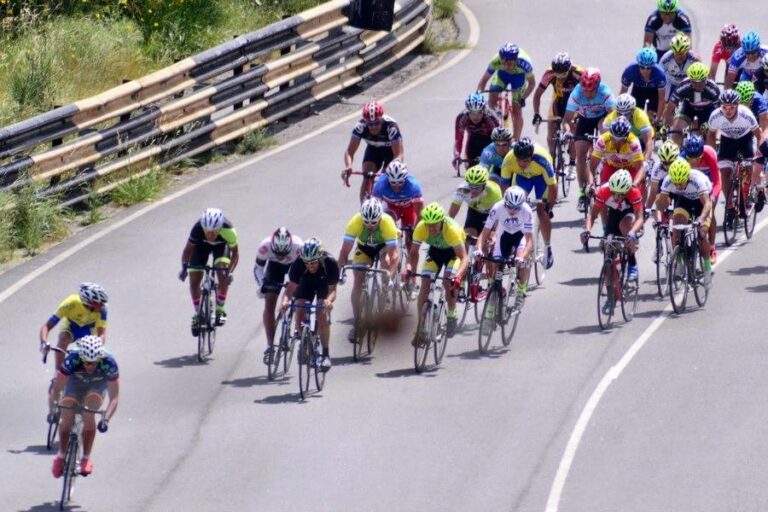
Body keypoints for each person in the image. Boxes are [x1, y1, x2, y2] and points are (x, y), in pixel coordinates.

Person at [50, 336, 119, 479]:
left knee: (89, 410)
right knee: (67, 411)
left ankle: (86, 458)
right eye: (87, 362)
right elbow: (57, 389)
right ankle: (61, 456)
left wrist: (105, 419)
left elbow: (114, 397)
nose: (90, 366)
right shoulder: (72, 360)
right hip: (75, 382)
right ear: (81, 357)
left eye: (94, 363)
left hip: (97, 385)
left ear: (100, 358)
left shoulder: (109, 363)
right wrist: (54, 410)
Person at [39, 282, 109, 417]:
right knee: (63, 340)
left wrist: (97, 345)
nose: (100, 307)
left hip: (89, 332)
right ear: (86, 301)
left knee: (88, 360)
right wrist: (44, 343)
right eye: (97, 304)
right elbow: (46, 326)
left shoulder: (102, 310)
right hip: (71, 328)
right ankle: (58, 373)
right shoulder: (70, 302)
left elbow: (102, 333)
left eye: (102, 304)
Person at [337, 198, 399, 342]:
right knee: (358, 279)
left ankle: (386, 295)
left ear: (380, 218)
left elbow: (394, 255)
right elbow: (344, 251)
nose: (369, 225)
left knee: (386, 262)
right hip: (364, 248)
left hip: (383, 246)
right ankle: (358, 323)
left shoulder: (387, 222)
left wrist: (389, 275)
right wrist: (341, 270)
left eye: (373, 222)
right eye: (366, 222)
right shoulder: (355, 222)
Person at [406, 203, 468, 339]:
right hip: (435, 253)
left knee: (448, 281)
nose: (431, 228)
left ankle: (451, 313)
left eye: (434, 224)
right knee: (425, 283)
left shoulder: (452, 229)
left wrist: (457, 277)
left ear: (442, 221)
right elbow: (413, 253)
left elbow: (464, 258)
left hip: (453, 254)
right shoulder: (421, 228)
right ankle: (421, 325)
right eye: (428, 224)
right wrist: (409, 270)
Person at [475, 186, 533, 323]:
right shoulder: (497, 207)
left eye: (516, 208)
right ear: (505, 202)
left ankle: (521, 289)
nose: (512, 211)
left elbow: (530, 241)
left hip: (520, 236)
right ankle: (492, 304)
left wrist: (522, 256)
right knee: (496, 271)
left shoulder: (526, 211)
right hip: (504, 236)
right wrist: (479, 249)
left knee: (523, 261)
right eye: (510, 207)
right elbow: (484, 233)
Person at [563, 67, 616, 212]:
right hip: (584, 120)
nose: (587, 94)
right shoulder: (576, 93)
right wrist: (568, 132)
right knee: (580, 153)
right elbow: (567, 120)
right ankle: (582, 193)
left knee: (604, 126)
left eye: (591, 91)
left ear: (598, 86)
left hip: (601, 118)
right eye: (585, 90)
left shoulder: (605, 92)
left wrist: (609, 134)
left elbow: (614, 116)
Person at [654, 158, 714, 288]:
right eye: (676, 183)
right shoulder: (668, 181)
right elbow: (660, 204)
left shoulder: (697, 180)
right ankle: (680, 261)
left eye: (681, 183)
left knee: (702, 234)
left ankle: (707, 267)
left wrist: (701, 219)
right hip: (684, 201)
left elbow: (707, 204)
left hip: (701, 202)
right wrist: (659, 221)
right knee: (676, 229)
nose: (678, 186)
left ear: (687, 176)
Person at [581, 170, 644, 291]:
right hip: (614, 214)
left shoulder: (634, 192)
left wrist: (632, 233)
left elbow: (640, 218)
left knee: (625, 226)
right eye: (614, 193)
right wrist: (587, 231)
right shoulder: (604, 191)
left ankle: (632, 264)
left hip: (629, 212)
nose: (617, 197)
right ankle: (610, 289)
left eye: (621, 194)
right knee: (608, 245)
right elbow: (592, 215)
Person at [178, 208, 239, 334]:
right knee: (194, 281)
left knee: (222, 273)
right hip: (201, 247)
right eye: (208, 231)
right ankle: (198, 314)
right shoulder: (198, 228)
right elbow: (187, 251)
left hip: (221, 247)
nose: (210, 235)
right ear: (203, 227)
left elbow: (235, 254)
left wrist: (230, 272)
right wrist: (184, 267)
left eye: (214, 232)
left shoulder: (229, 230)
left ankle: (220, 309)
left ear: (220, 228)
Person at [706, 89, 763, 223]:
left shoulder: (746, 114)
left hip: (745, 140)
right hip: (728, 142)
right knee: (725, 172)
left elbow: (758, 135)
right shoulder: (715, 116)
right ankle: (730, 205)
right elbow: (711, 135)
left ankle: (751, 194)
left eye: (731, 107)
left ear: (737, 106)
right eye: (725, 107)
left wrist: (759, 155)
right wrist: (711, 154)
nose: (728, 111)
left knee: (748, 168)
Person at [281, 238, 338, 370]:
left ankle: (325, 354)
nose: (310, 266)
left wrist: (328, 301)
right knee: (299, 308)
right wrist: (285, 301)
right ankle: (304, 341)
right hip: (305, 283)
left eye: (313, 262)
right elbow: (290, 289)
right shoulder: (298, 264)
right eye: (307, 262)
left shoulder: (330, 262)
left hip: (323, 284)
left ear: (320, 257)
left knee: (321, 312)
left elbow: (333, 290)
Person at [499, 137, 557, 268]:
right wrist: (508, 205)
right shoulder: (509, 160)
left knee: (542, 212)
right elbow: (504, 186)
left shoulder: (542, 159)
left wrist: (550, 205)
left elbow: (553, 186)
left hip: (541, 179)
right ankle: (515, 242)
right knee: (514, 206)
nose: (521, 163)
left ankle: (547, 246)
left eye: (525, 161)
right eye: (519, 160)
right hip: (522, 178)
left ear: (532, 157)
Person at [254, 227, 303, 365]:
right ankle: (270, 346)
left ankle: (302, 335)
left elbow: (306, 271)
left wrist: (298, 287)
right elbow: (258, 269)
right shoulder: (265, 246)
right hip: (274, 267)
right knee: (269, 302)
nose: (281, 256)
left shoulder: (299, 247)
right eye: (278, 253)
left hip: (295, 265)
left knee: (300, 298)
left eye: (284, 253)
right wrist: (262, 284)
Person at [342, 100, 404, 203]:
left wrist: (392, 171)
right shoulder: (360, 127)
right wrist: (348, 166)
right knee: (367, 178)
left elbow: (399, 155)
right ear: (365, 121)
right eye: (370, 124)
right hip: (373, 151)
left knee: (386, 180)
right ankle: (364, 211)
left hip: (391, 153)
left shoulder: (391, 127)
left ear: (382, 119)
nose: (373, 127)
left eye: (377, 123)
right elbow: (349, 151)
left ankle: (388, 205)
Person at [476, 43, 536, 139]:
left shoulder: (525, 64)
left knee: (517, 110)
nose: (507, 67)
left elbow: (532, 84)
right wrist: (478, 96)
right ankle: (494, 124)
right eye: (503, 63)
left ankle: (516, 139)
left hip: (518, 78)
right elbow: (483, 81)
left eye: (509, 64)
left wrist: (523, 98)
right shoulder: (496, 61)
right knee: (491, 100)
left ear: (516, 60)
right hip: (502, 76)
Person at [532, 52, 583, 157]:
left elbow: (587, 95)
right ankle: (552, 157)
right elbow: (537, 95)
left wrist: (580, 114)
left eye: (563, 74)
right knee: (551, 131)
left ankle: (573, 162)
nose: (560, 77)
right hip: (558, 101)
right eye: (557, 74)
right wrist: (536, 113)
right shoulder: (549, 73)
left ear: (569, 69)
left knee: (574, 130)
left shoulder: (578, 73)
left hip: (575, 102)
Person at [680, 135, 721, 263]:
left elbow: (718, 181)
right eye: (690, 158)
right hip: (692, 188)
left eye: (697, 158)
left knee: (710, 211)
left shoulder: (709, 155)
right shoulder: (681, 158)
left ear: (702, 153)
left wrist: (713, 196)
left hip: (709, 187)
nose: (693, 162)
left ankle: (712, 247)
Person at [662, 62, 721, 146]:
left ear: (706, 79)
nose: (697, 85)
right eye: (694, 82)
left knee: (710, 135)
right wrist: (667, 126)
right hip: (689, 108)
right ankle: (677, 153)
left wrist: (713, 130)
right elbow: (669, 109)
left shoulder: (713, 89)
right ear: (690, 79)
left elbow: (720, 113)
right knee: (676, 131)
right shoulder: (683, 86)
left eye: (701, 82)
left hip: (708, 111)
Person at [372, 159, 424, 249]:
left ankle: (409, 261)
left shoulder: (413, 186)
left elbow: (420, 214)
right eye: (393, 183)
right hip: (392, 208)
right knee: (387, 224)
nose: (397, 186)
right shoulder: (381, 184)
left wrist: (414, 230)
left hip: (409, 209)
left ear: (405, 179)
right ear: (388, 179)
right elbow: (374, 207)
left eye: (400, 183)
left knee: (411, 241)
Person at [735, 80, 768, 210]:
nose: (743, 105)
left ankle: (757, 188)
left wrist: (760, 148)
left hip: (758, 129)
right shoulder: (733, 101)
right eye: (740, 102)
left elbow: (764, 128)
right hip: (742, 128)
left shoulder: (760, 102)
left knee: (756, 152)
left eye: (746, 102)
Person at [590, 116, 646, 193]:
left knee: (638, 188)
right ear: (610, 134)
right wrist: (591, 184)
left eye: (620, 140)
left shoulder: (634, 142)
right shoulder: (603, 140)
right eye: (614, 138)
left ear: (627, 137)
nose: (616, 142)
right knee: (602, 193)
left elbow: (640, 168)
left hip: (630, 168)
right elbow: (592, 167)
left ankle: (643, 205)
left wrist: (635, 184)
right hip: (611, 166)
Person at [447, 165, 503, 239]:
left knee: (488, 241)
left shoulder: (494, 192)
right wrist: (446, 227)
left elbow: (499, 215)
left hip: (491, 214)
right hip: (474, 212)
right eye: (471, 186)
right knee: (467, 238)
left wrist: (494, 233)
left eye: (477, 187)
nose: (473, 190)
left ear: (484, 185)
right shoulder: (463, 189)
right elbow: (452, 212)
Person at [453, 93, 500, 173]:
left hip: (489, 139)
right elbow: (459, 139)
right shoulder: (461, 118)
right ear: (468, 111)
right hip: (473, 140)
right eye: (472, 113)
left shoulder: (491, 117)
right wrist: (457, 155)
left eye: (479, 113)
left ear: (483, 112)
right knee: (471, 171)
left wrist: (490, 155)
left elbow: (498, 139)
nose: (475, 117)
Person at [602, 93, 655, 164]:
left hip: (640, 139)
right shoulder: (611, 117)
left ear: (633, 111)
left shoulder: (640, 116)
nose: (623, 116)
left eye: (626, 113)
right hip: (621, 139)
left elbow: (648, 142)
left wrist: (645, 162)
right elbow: (605, 141)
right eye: (620, 113)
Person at [620, 47, 667, 120]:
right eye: (642, 67)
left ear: (653, 66)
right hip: (638, 90)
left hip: (653, 92)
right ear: (638, 64)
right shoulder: (630, 70)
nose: (645, 71)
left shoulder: (660, 74)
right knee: (635, 116)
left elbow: (661, 99)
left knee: (651, 117)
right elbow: (622, 93)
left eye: (648, 68)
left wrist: (658, 118)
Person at [659, 32, 700, 99]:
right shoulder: (665, 59)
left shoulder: (695, 59)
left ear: (687, 50)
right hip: (671, 83)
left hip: (688, 84)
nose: (679, 56)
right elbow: (660, 76)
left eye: (682, 53)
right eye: (676, 53)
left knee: (695, 101)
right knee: (665, 102)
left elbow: (700, 78)